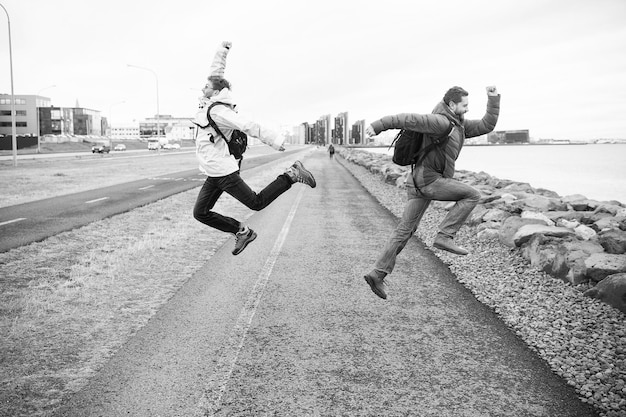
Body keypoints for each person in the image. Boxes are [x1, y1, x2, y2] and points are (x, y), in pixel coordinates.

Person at [363, 86, 500, 299]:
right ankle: (445, 236)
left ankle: (377, 273)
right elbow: (407, 119)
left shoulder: (459, 125)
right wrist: (377, 126)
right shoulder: (440, 121)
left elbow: (486, 125)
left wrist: (492, 99)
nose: (467, 109)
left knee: (405, 230)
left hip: (418, 182)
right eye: (464, 105)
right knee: (472, 194)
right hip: (429, 181)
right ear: (452, 105)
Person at [193, 41, 316, 255]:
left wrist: (275, 140)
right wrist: (222, 52)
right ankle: (242, 232)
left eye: (206, 87)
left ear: (216, 92)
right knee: (200, 212)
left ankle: (291, 175)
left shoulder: (219, 112)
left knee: (256, 203)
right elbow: (215, 73)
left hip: (223, 172)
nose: (202, 89)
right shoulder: (207, 103)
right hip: (213, 172)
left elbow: (249, 126)